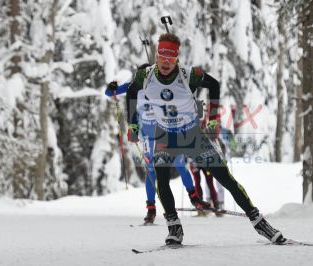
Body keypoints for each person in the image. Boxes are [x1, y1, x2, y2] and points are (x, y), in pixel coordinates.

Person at [121, 32, 287, 245]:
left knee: (225, 178)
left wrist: (214, 119)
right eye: (161, 57)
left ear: (177, 59)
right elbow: (132, 93)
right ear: (156, 56)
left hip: (192, 136)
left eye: (170, 58)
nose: (165, 62)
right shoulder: (145, 75)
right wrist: (133, 124)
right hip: (164, 135)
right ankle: (174, 228)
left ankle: (259, 222)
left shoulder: (188, 75)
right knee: (160, 179)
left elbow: (214, 84)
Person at [105, 65, 210, 225]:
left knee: (180, 164)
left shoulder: (160, 83)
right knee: (151, 171)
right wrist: (112, 86)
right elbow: (109, 93)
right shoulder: (134, 85)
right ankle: (151, 209)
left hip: (167, 130)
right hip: (148, 135)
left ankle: (194, 198)